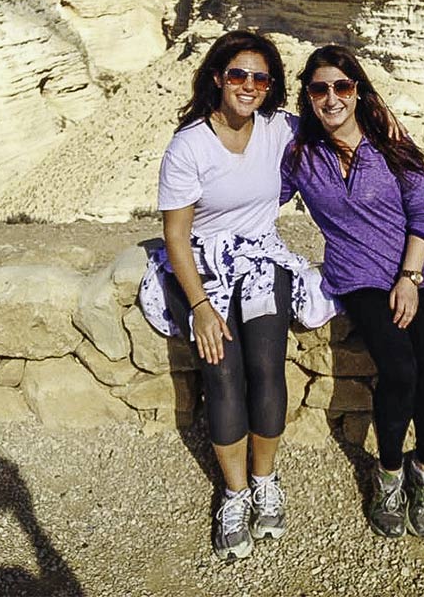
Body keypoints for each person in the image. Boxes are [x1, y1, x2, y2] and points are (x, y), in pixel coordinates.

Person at [138, 30, 337, 560]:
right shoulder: (189, 145)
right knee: (223, 373)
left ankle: (265, 480)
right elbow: (176, 236)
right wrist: (200, 307)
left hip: (259, 258)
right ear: (216, 78)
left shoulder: (278, 129)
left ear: (269, 87)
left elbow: (336, 123)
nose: (248, 86)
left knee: (267, 366)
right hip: (201, 262)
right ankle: (233, 494)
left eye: (260, 78)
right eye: (237, 75)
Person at [280, 45, 424, 539]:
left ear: (357, 90)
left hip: (416, 272)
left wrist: (410, 279)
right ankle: (390, 475)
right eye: (319, 89)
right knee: (399, 371)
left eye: (341, 86)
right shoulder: (301, 157)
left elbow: (423, 215)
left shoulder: (391, 146)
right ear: (307, 97)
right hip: (356, 277)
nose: (331, 98)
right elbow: (260, 193)